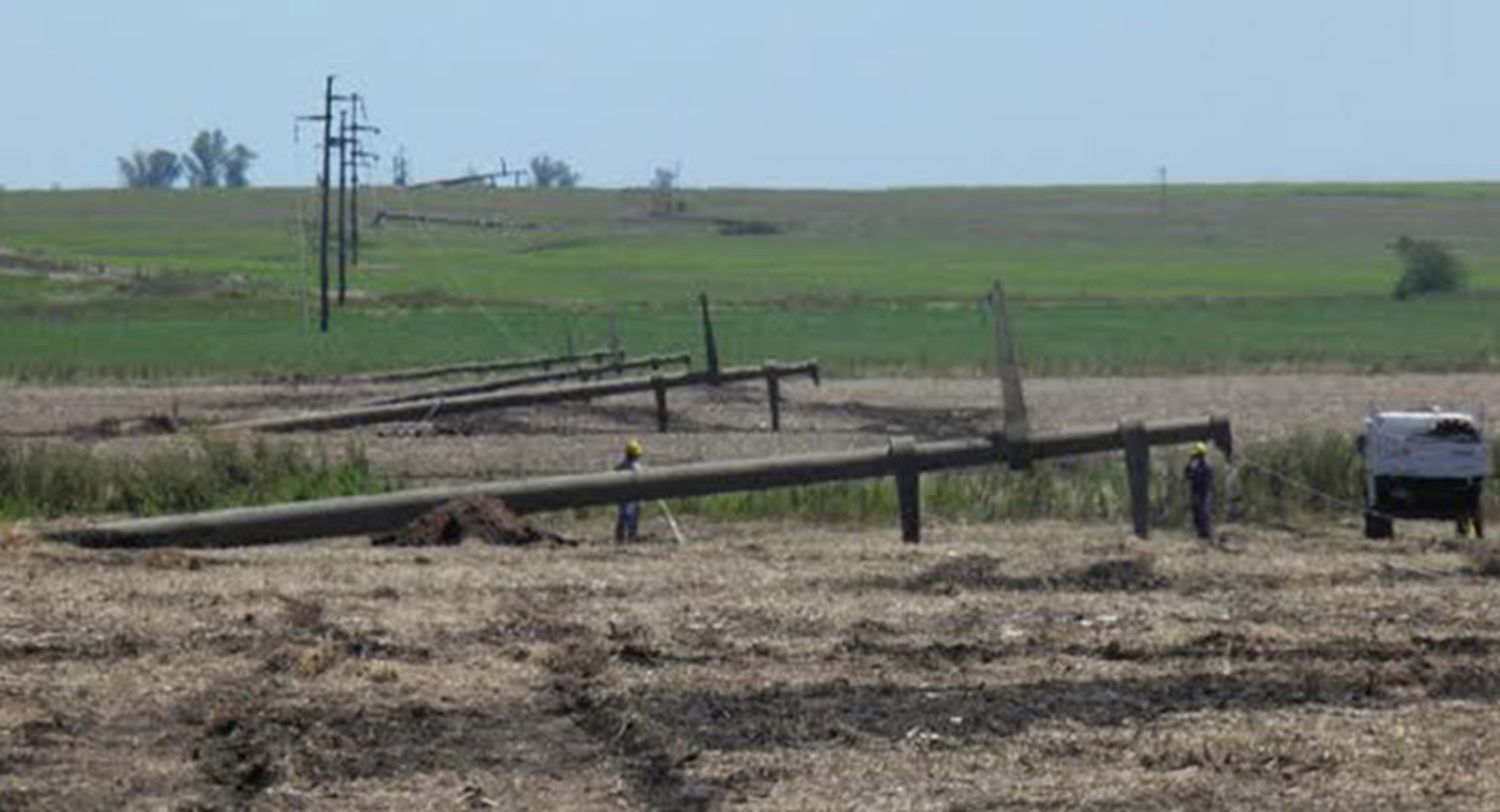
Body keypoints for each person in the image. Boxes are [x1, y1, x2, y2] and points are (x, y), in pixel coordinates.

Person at [614, 439, 644, 543]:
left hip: (625, 495)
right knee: (629, 516)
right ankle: (627, 536)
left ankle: (623, 536)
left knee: (626, 516)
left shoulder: (621, 465)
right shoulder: (636, 466)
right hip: (631, 495)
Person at [1184, 442, 1214, 542]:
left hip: (1203, 492)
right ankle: (1201, 534)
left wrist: (1193, 472)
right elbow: (1187, 474)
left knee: (1203, 513)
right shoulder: (1195, 464)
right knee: (1197, 513)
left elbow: (1203, 478)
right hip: (1197, 492)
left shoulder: (1205, 464)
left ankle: (1205, 534)